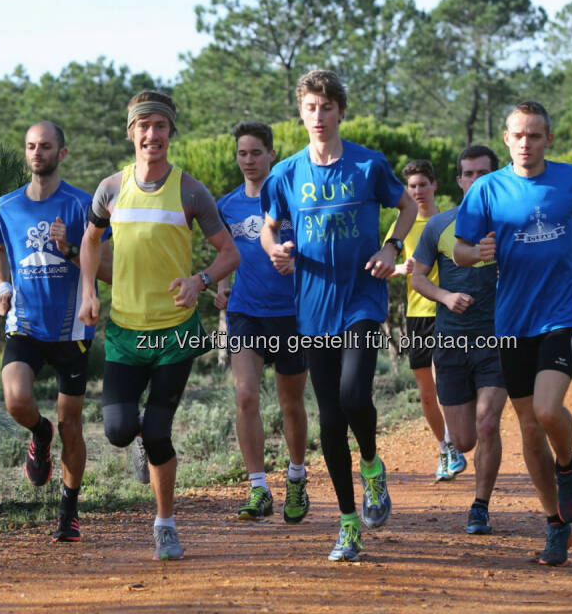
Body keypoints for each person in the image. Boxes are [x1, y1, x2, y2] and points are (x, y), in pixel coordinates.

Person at [260, 69, 417, 562]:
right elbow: (268, 230)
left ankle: (371, 465)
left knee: (353, 394)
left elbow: (407, 206)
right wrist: (276, 252)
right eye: (310, 107)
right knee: (329, 416)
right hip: (311, 306)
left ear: (340, 111)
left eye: (327, 107)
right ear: (301, 112)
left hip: (362, 299)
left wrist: (392, 247)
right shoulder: (285, 174)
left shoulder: (368, 165)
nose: (319, 116)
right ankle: (348, 523)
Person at [77, 91, 240, 561]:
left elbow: (230, 252)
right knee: (118, 431)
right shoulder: (110, 189)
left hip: (175, 332)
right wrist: (89, 291)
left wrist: (202, 280)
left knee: (158, 432)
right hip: (127, 332)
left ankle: (164, 523)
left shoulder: (191, 191)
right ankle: (139, 444)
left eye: (161, 127)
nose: (152, 135)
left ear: (171, 133)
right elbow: (90, 242)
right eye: (143, 126)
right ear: (131, 133)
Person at [454, 101, 572, 567]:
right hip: (512, 319)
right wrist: (476, 252)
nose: (526, 144)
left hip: (562, 312)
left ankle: (567, 465)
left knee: (546, 409)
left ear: (548, 139)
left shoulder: (570, 180)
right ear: (506, 139)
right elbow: (461, 250)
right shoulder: (486, 189)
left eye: (535, 136)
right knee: (526, 426)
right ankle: (555, 524)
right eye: (519, 135)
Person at [0, 120, 111, 543]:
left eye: (45, 146)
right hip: (24, 324)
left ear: (62, 154)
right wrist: (3, 284)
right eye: (30, 146)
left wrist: (72, 250)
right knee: (17, 400)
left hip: (72, 328)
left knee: (72, 426)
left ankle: (69, 512)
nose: (36, 152)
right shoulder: (5, 206)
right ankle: (38, 434)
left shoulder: (83, 206)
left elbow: (109, 269)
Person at [215, 121, 310, 523]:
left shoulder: (292, 199)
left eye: (256, 152)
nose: (249, 160)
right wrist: (220, 287)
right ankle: (257, 488)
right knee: (245, 397)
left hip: (292, 314)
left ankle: (296, 477)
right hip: (245, 312)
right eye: (242, 153)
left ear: (272, 154)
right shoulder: (227, 205)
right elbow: (223, 250)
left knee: (290, 403)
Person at [411, 145, 504, 535]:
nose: (474, 181)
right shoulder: (439, 226)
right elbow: (417, 278)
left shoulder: (509, 225)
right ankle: (465, 466)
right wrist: (446, 296)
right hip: (450, 342)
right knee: (464, 440)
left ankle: (480, 506)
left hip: (497, 342)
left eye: (483, 173)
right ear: (459, 180)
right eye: (468, 174)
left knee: (487, 424)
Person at [387, 159, 466, 481]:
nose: (417, 191)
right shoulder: (401, 226)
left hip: (446, 311)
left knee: (441, 380)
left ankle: (456, 445)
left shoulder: (451, 220)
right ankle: (444, 447)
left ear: (434, 186)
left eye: (423, 184)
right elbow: (382, 266)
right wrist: (398, 269)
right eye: (412, 186)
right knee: (425, 392)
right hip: (415, 314)